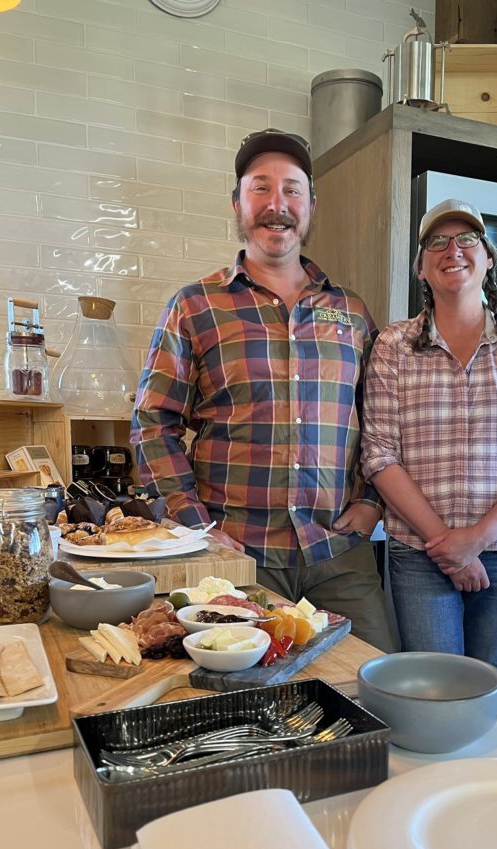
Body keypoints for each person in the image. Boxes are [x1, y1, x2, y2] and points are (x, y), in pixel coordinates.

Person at [131, 128, 395, 651]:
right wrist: (196, 528)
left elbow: (384, 424)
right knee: (253, 707)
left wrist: (371, 503)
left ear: (311, 206)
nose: (278, 204)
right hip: (238, 560)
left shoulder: (353, 313)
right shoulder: (194, 306)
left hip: (340, 555)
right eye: (261, 188)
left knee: (374, 691)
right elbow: (152, 424)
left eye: (292, 190)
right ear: (238, 203)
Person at [361, 198, 497, 671]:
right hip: (420, 553)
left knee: (485, 681)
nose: (453, 249)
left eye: (467, 238)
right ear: (421, 268)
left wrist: (476, 538)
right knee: (436, 686)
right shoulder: (394, 345)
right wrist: (448, 545)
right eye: (437, 241)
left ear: (488, 258)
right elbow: (378, 454)